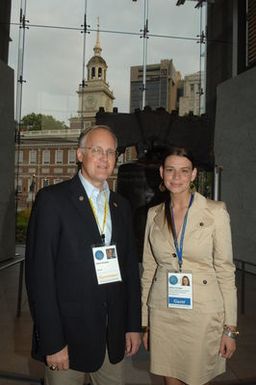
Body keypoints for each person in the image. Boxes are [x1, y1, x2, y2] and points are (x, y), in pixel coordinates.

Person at [25, 125, 141, 385]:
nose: (104, 158)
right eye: (96, 150)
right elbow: (39, 278)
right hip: (67, 341)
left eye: (111, 152)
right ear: (80, 154)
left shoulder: (121, 206)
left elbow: (130, 272)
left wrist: (133, 324)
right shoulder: (52, 201)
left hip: (112, 343)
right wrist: (52, 342)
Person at [141, 146, 238, 385]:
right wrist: (146, 322)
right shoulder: (153, 215)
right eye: (171, 170)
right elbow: (149, 270)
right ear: (162, 173)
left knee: (197, 378)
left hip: (202, 313)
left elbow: (226, 271)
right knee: (170, 379)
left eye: (184, 171)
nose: (177, 177)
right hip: (164, 312)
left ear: (193, 174)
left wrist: (230, 329)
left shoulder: (215, 212)